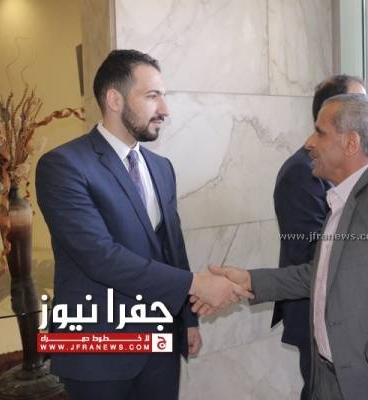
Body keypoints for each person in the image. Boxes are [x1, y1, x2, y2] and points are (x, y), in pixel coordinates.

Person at [195, 94, 368, 399]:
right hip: (328, 378)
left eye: (320, 132)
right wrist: (249, 280)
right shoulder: (344, 197)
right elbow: (322, 273)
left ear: (351, 143)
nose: (309, 143)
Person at [35, 49, 251, 400]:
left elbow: (172, 247)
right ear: (114, 99)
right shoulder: (63, 166)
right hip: (97, 349)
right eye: (152, 96)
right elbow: (100, 257)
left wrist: (187, 319)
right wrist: (196, 283)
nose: (165, 109)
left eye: (163, 96)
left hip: (160, 346)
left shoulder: (161, 167)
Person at [271, 74, 365, 400]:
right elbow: (312, 251)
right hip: (317, 313)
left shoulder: (348, 168)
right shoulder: (302, 171)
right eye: (359, 102)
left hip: (344, 314)